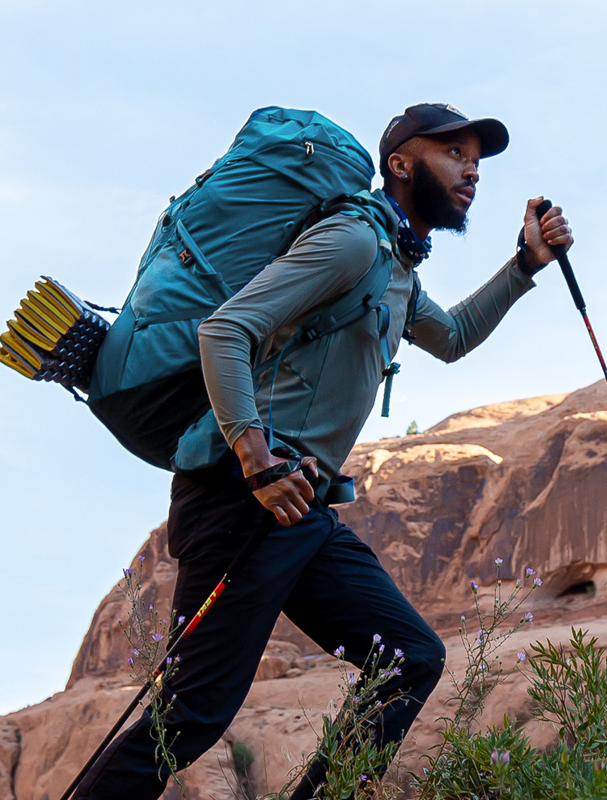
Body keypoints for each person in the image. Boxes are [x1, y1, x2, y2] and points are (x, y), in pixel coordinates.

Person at [73, 102, 573, 799]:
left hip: (301, 510)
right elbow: (225, 332)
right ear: (400, 163)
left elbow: (453, 336)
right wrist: (257, 459)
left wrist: (527, 263)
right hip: (241, 496)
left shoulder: (397, 267)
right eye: (453, 153)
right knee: (188, 715)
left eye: (477, 161)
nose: (471, 171)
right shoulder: (353, 242)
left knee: (410, 659)